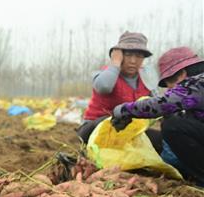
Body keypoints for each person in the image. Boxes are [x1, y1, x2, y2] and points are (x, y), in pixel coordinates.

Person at [111, 47, 204, 184]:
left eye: (169, 84)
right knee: (173, 122)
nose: (171, 89)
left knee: (173, 126)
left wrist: (124, 109)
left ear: (181, 74)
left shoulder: (198, 83)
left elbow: (162, 104)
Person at [77, 31, 158, 148]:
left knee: (159, 139)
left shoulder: (146, 80)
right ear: (119, 55)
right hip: (95, 129)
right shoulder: (106, 74)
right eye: (128, 55)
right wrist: (115, 63)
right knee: (113, 121)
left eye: (139, 56)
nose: (133, 61)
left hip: (129, 130)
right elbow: (104, 87)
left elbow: (156, 104)